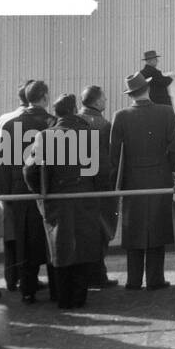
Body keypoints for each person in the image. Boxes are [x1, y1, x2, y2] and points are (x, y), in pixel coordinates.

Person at [24, 94, 101, 311]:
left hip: (57, 199)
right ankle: (80, 297)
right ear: (75, 110)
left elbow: (31, 170)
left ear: (56, 113)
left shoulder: (44, 136)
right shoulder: (88, 133)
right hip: (84, 197)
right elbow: (101, 170)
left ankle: (64, 298)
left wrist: (41, 191)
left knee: (60, 247)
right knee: (83, 245)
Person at [110, 71, 175, 289]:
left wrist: (118, 181)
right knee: (157, 228)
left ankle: (133, 280)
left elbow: (114, 155)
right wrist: (168, 168)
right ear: (148, 89)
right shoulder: (166, 112)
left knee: (133, 229)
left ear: (130, 94)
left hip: (132, 180)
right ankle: (155, 279)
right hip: (160, 178)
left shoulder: (120, 116)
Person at [0, 82, 41, 298]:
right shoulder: (43, 121)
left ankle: (14, 281)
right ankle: (31, 282)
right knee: (33, 234)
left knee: (14, 236)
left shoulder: (5, 120)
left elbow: (1, 160)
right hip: (31, 183)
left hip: (12, 185)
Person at [78, 84, 118, 289]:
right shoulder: (103, 125)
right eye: (103, 98)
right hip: (99, 187)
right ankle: (98, 276)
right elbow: (108, 160)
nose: (105, 101)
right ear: (95, 101)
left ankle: (84, 276)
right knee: (101, 232)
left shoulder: (74, 121)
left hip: (77, 187)